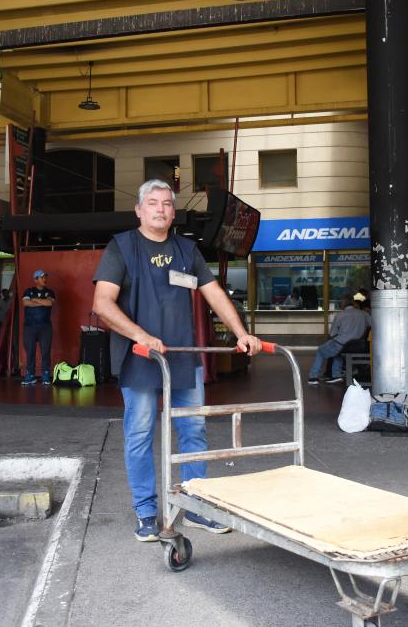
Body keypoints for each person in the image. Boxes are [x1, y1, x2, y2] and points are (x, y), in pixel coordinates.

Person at [92, 179, 263, 542]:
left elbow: (213, 292)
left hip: (184, 357)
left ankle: (196, 504)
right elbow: (102, 304)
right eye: (152, 203)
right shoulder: (121, 247)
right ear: (139, 210)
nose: (160, 209)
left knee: (194, 431)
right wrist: (140, 335)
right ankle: (146, 511)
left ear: (174, 211)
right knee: (140, 434)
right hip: (141, 359)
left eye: (167, 203)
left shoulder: (187, 250)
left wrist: (241, 332)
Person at [307, 294, 371, 385]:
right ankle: (336, 375)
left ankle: (313, 377)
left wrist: (328, 341)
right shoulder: (364, 314)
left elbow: (332, 334)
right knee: (338, 353)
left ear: (343, 304)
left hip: (341, 344)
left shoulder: (340, 315)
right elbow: (372, 325)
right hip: (358, 345)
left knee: (321, 351)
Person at [21, 270, 56, 386]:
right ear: (35, 280)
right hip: (30, 327)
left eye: (45, 277)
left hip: (45, 327)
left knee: (45, 351)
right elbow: (25, 303)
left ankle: (45, 375)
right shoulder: (29, 291)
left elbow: (50, 303)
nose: (44, 279)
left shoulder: (50, 292)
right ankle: (30, 375)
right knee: (30, 351)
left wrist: (34, 300)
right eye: (41, 278)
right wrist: (42, 302)